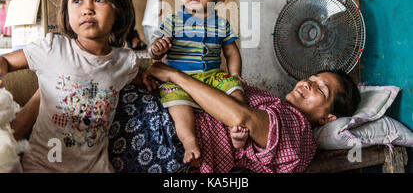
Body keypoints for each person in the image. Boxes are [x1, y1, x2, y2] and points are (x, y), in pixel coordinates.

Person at [0, 0, 146, 173]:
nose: (87, 9)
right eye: (77, 0)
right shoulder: (52, 48)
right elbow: (6, 61)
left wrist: (152, 77)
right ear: (66, 10)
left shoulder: (124, 62)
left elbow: (140, 77)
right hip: (42, 166)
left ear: (118, 10)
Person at [141, 62, 361, 173]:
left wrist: (173, 75)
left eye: (320, 90)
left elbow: (240, 118)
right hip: (167, 114)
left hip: (168, 139)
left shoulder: (298, 129)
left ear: (327, 118)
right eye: (311, 79)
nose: (307, 83)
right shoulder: (276, 105)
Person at [148, 0, 248, 163]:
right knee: (177, 106)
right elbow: (155, 50)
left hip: (213, 76)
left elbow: (231, 52)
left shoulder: (221, 24)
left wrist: (235, 74)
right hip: (179, 80)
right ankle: (189, 142)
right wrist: (157, 50)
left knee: (236, 90)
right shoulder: (173, 21)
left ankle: (237, 127)